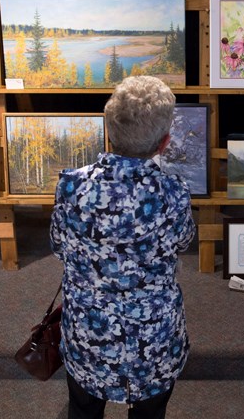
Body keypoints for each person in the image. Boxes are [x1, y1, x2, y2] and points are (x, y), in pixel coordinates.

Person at [50, 75, 196, 419]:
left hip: (89, 331)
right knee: (150, 412)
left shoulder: (72, 187)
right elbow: (183, 242)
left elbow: (59, 247)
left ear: (109, 130)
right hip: (154, 337)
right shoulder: (173, 192)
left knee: (83, 409)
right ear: (164, 143)